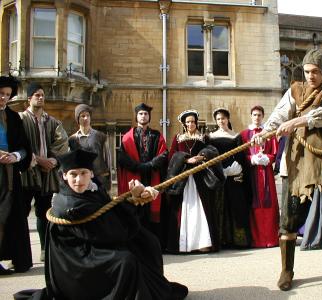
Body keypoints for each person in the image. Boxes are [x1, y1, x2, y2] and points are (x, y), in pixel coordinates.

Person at [252, 49, 322, 294]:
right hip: (299, 160)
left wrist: (296, 122)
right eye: (307, 72)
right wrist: (264, 132)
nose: (311, 76)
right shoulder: (294, 90)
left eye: (315, 71)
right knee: (290, 219)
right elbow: (280, 113)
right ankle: (287, 271)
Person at [13, 149, 188, 300]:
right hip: (75, 259)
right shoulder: (68, 203)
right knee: (125, 261)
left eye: (83, 173)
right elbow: (110, 232)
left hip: (92, 242)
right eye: (73, 174)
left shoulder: (92, 189)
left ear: (91, 173)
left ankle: (151, 288)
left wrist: (135, 197)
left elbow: (108, 211)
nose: (78, 180)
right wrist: (132, 202)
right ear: (64, 175)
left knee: (148, 241)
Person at [19, 82, 69, 261]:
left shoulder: (53, 122)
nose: (40, 98)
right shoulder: (20, 120)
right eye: (36, 95)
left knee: (44, 213)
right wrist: (39, 160)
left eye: (42, 95)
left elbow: (62, 144)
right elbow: (17, 145)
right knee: (20, 213)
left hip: (47, 175)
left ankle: (45, 250)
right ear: (29, 98)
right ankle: (19, 253)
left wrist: (53, 161)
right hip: (26, 173)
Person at [165, 110, 225, 253]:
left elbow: (213, 151)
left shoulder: (204, 137)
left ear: (196, 123)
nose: (191, 124)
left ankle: (203, 243)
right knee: (184, 209)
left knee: (202, 210)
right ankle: (183, 245)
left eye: (193, 121)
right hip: (183, 179)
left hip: (200, 178)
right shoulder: (178, 138)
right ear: (184, 124)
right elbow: (172, 156)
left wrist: (203, 155)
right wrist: (185, 159)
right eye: (188, 122)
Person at [117, 103, 168, 243]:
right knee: (135, 209)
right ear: (136, 116)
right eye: (140, 114)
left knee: (151, 210)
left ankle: (153, 243)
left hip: (152, 176)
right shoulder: (128, 137)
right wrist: (137, 166)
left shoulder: (157, 135)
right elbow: (122, 157)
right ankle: (135, 242)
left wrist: (150, 165)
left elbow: (164, 154)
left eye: (145, 113)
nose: (143, 116)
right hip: (135, 176)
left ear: (149, 116)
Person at [0, 76, 32, 275]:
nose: (3, 98)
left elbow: (24, 147)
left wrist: (15, 155)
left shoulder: (12, 117)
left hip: (9, 175)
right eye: (1, 94)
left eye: (7, 95)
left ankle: (14, 258)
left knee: (6, 216)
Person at [209, 108, 251, 248]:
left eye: (223, 118)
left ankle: (238, 240)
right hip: (219, 174)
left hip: (234, 175)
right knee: (219, 206)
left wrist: (237, 171)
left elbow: (240, 156)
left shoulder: (236, 136)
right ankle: (220, 240)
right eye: (219, 119)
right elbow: (210, 157)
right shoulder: (211, 137)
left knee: (236, 205)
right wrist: (220, 171)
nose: (221, 121)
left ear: (228, 119)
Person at [241, 105, 279, 248]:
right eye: (254, 115)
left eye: (259, 115)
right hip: (252, 173)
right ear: (251, 116)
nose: (257, 118)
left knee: (269, 203)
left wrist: (266, 158)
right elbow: (242, 154)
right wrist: (251, 159)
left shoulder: (269, 133)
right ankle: (256, 239)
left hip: (266, 173)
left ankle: (271, 238)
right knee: (254, 204)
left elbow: (275, 154)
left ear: (263, 116)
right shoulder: (245, 134)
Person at [69, 104, 112, 192]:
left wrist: (108, 180)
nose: (85, 118)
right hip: (81, 180)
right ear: (78, 119)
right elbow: (71, 163)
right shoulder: (72, 139)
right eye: (82, 116)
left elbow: (108, 160)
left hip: (100, 179)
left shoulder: (101, 137)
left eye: (88, 116)